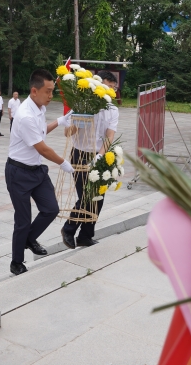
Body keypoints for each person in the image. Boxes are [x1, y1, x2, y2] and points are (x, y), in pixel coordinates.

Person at [5, 70, 74, 276]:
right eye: (48, 91)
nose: (51, 96)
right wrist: (63, 163)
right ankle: (16, 262)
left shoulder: (39, 107)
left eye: (52, 91)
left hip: (36, 170)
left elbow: (41, 131)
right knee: (23, 220)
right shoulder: (25, 115)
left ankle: (28, 238)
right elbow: (42, 148)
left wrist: (59, 121)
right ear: (34, 91)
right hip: (19, 172)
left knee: (51, 209)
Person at [61, 71, 120, 249]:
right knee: (86, 195)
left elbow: (109, 136)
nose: (111, 90)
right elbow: (67, 133)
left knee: (98, 197)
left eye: (113, 88)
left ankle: (85, 236)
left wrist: (100, 156)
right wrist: (78, 122)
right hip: (80, 154)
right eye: (108, 86)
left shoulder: (113, 110)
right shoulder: (81, 105)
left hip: (99, 154)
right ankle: (69, 229)